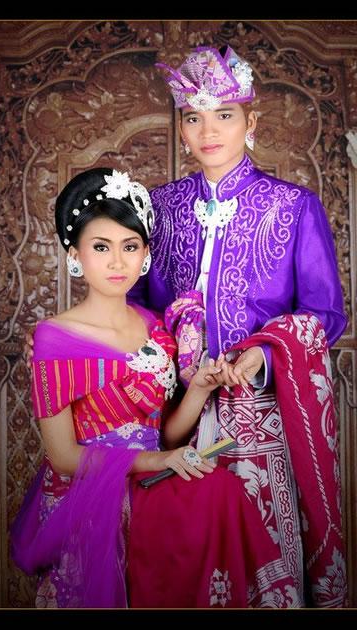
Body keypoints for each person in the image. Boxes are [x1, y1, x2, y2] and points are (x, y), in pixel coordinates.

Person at [12, 167, 294, 608]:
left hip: (149, 477)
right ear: (74, 254)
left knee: (221, 490)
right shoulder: (53, 338)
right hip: (90, 492)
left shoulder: (155, 328)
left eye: (130, 247)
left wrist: (199, 387)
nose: (117, 262)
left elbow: (164, 435)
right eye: (101, 247)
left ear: (145, 254)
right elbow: (63, 457)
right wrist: (160, 459)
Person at [141, 46, 348, 606]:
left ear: (250, 122)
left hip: (261, 420)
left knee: (261, 568)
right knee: (183, 565)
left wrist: (265, 353)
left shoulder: (293, 206)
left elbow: (327, 312)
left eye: (224, 114)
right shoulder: (158, 211)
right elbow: (134, 306)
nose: (208, 130)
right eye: (193, 116)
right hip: (175, 416)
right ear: (181, 128)